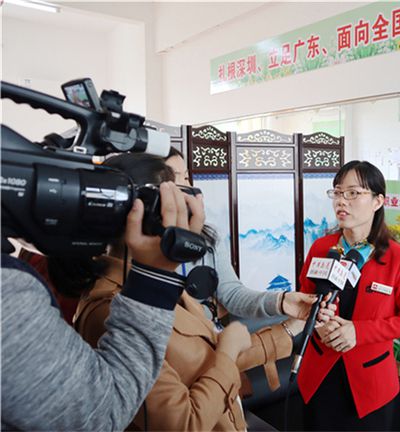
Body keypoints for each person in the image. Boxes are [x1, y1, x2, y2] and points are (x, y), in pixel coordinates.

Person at [72, 152, 316, 431]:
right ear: (143, 212)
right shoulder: (112, 311)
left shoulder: (161, 283)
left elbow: (205, 356)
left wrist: (289, 326)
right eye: (175, 186)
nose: (189, 197)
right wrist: (228, 350)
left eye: (187, 180)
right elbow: (182, 422)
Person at [1, 178, 205, 430]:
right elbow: (98, 413)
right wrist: (229, 356)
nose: (183, 196)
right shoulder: (107, 306)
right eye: (167, 188)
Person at [297, 160, 400, 431]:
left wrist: (359, 332)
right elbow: (304, 298)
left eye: (353, 193)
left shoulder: (399, 258)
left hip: (371, 382)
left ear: (378, 201)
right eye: (337, 192)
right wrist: (318, 321)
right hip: (319, 375)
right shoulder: (321, 247)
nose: (341, 201)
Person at [165, 146, 320, 321]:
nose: (187, 187)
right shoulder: (142, 247)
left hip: (205, 335)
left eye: (186, 177)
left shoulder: (209, 236)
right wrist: (210, 310)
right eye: (173, 179)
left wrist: (281, 301)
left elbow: (232, 295)